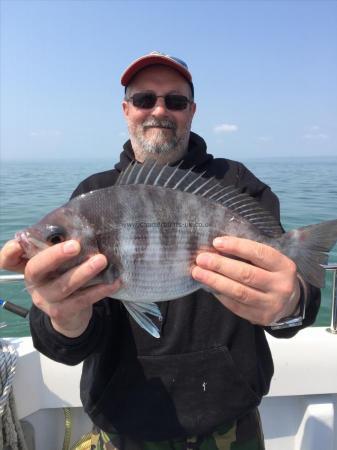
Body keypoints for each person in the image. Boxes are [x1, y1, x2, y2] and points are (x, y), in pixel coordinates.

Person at [0, 51, 320, 450]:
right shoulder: (91, 194)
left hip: (231, 426)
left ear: (192, 111)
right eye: (143, 99)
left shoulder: (238, 184)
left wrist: (290, 303)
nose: (159, 110)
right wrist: (63, 319)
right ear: (125, 109)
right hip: (123, 427)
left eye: (175, 100)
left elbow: (298, 307)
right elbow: (65, 346)